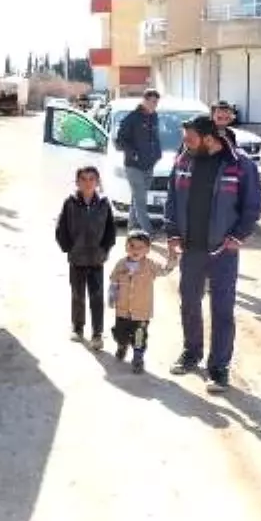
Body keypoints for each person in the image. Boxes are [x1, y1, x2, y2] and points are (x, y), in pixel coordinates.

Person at [164, 114, 261, 394]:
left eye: (190, 139)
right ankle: (191, 352)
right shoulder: (184, 159)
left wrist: (238, 236)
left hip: (223, 251)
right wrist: (172, 233)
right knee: (189, 303)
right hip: (191, 249)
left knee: (222, 309)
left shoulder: (239, 164)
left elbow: (254, 204)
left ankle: (219, 367)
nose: (185, 143)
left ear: (209, 138)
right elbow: (172, 198)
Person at [55, 165, 117, 350]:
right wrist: (69, 248)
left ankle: (97, 333)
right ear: (77, 182)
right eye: (83, 179)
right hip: (77, 259)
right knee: (77, 294)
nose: (88, 183)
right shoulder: (70, 203)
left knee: (97, 297)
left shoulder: (104, 204)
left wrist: (104, 250)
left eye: (92, 179)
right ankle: (78, 327)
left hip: (97, 260)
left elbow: (110, 231)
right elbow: (61, 229)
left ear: (97, 182)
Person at [108, 230, 177, 374]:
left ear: (147, 249)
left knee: (139, 336)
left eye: (140, 247)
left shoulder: (150, 265)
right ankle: (122, 345)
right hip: (122, 309)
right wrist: (112, 295)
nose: (135, 250)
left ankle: (138, 358)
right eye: (132, 246)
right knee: (120, 333)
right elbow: (114, 280)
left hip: (142, 311)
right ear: (126, 246)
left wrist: (172, 260)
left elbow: (164, 271)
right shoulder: (121, 264)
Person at [114, 88, 161, 232]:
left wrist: (157, 154)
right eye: (152, 102)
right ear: (144, 100)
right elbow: (119, 141)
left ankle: (131, 227)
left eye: (156, 102)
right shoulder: (132, 118)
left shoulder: (154, 117)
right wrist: (133, 153)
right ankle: (148, 232)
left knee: (137, 198)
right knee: (141, 201)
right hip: (134, 166)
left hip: (149, 165)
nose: (154, 105)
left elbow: (155, 137)